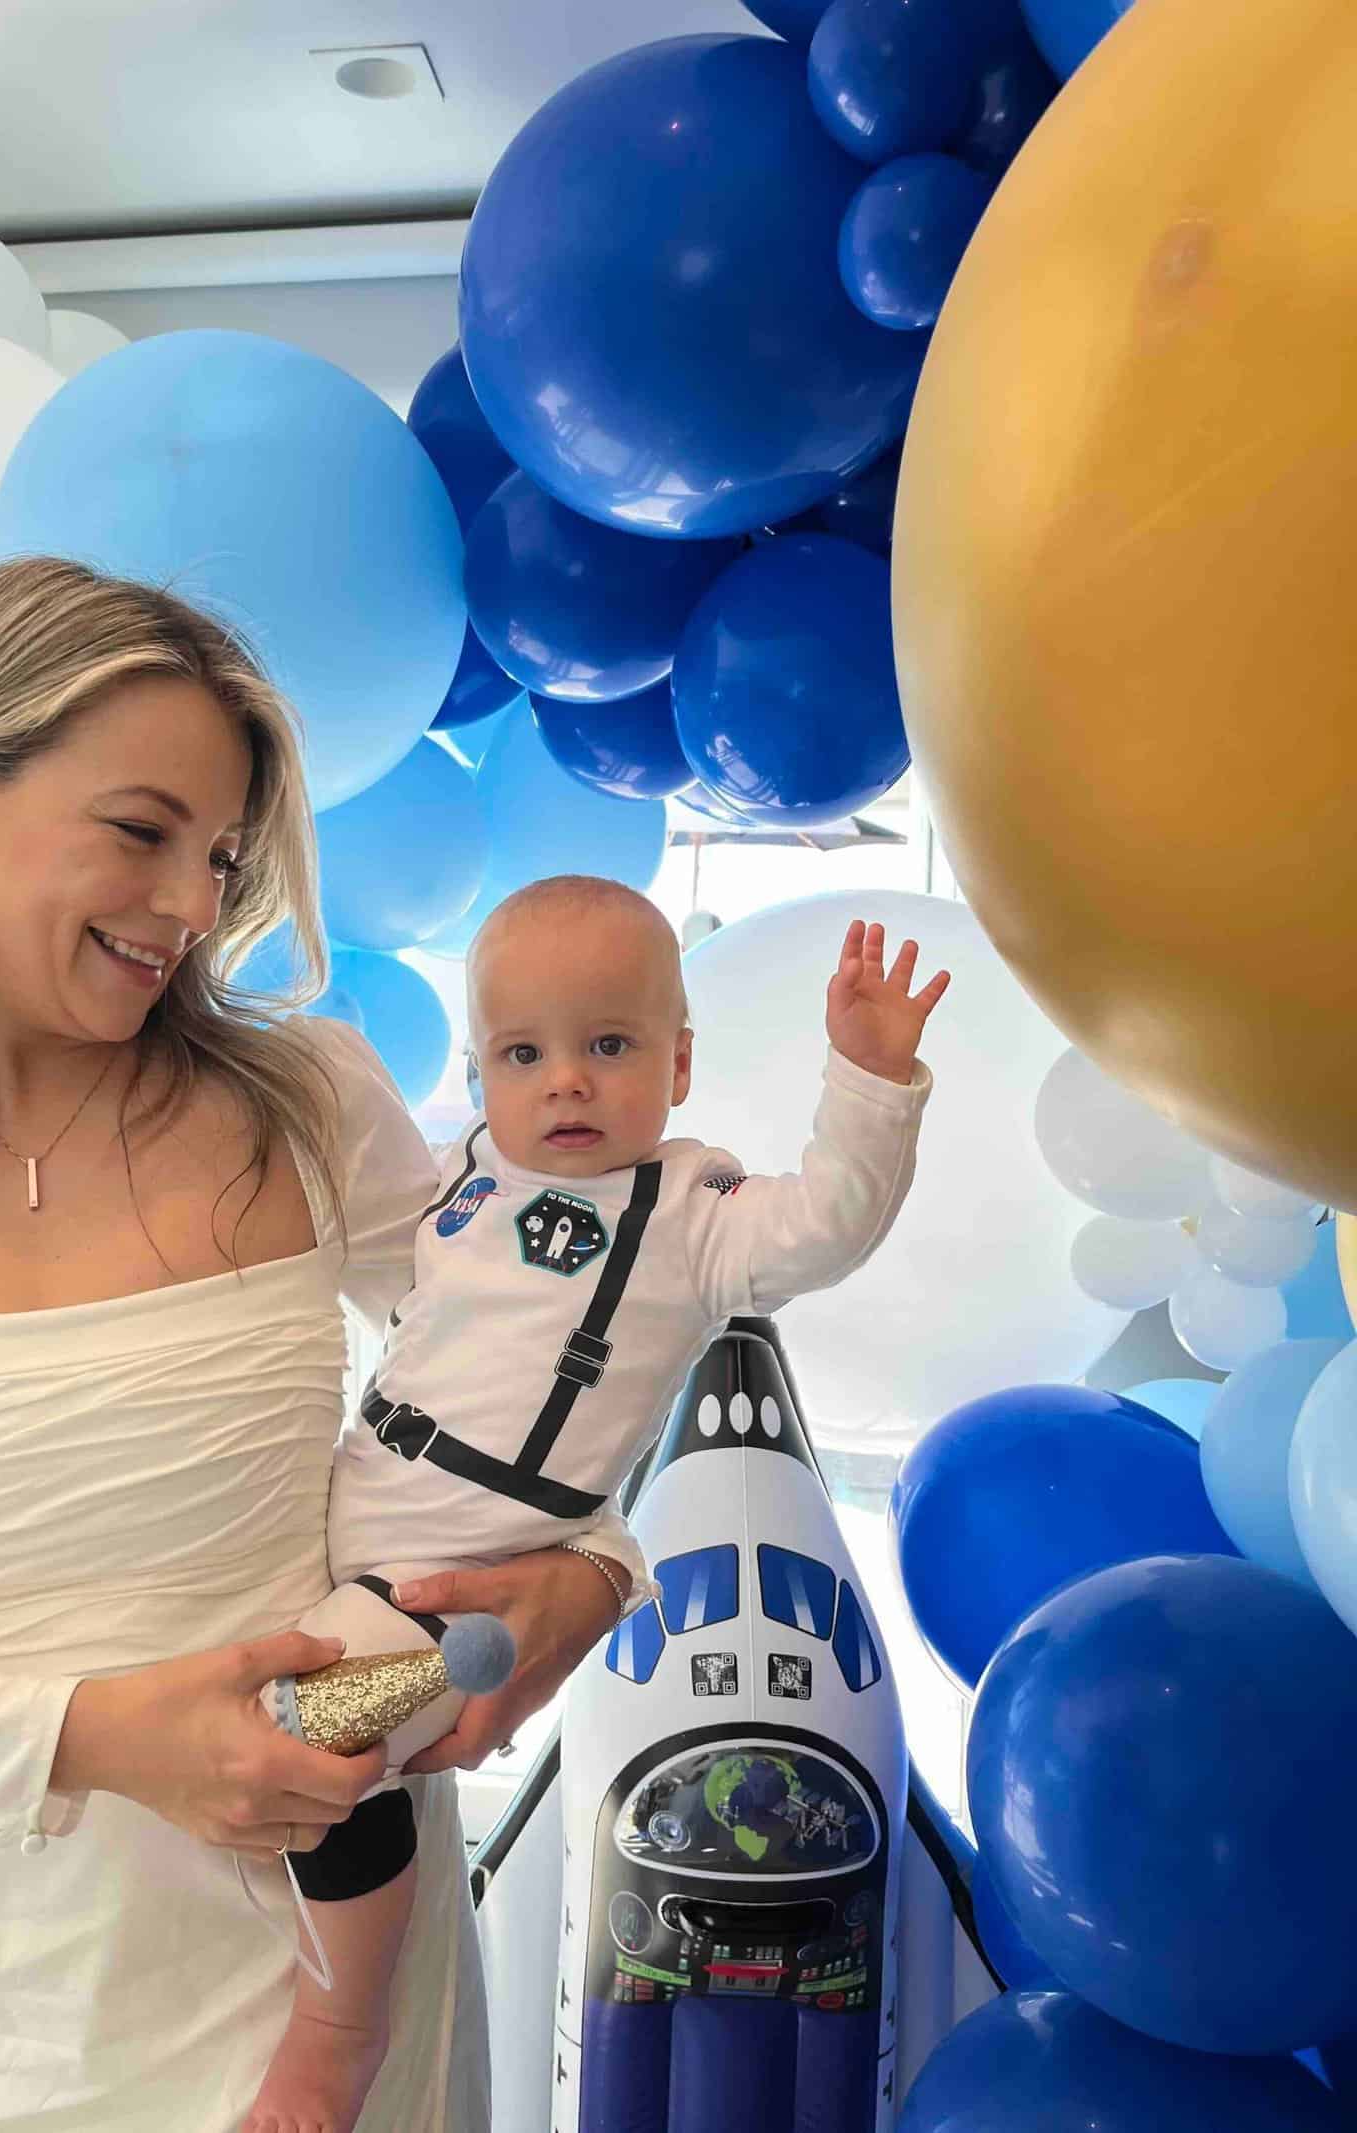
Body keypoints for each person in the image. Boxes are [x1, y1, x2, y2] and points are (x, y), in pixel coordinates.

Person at [0, 557, 647, 2133]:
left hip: (350, 1959)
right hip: (1, 2029)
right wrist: (100, 1738)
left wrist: (590, 1570)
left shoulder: (301, 1096)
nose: (192, 906)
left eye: (225, 855)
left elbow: (548, 1353)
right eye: (141, 830)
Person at [248, 874, 949, 2133]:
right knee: (256, 1714)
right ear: (479, 1074)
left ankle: (336, 2028)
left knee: (310, 1742)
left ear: (678, 1065)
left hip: (458, 1569)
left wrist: (868, 1085)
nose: (564, 1081)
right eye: (525, 1053)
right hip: (348, 1511)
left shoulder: (692, 1215)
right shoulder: (467, 1174)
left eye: (608, 1046)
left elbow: (826, 1226)